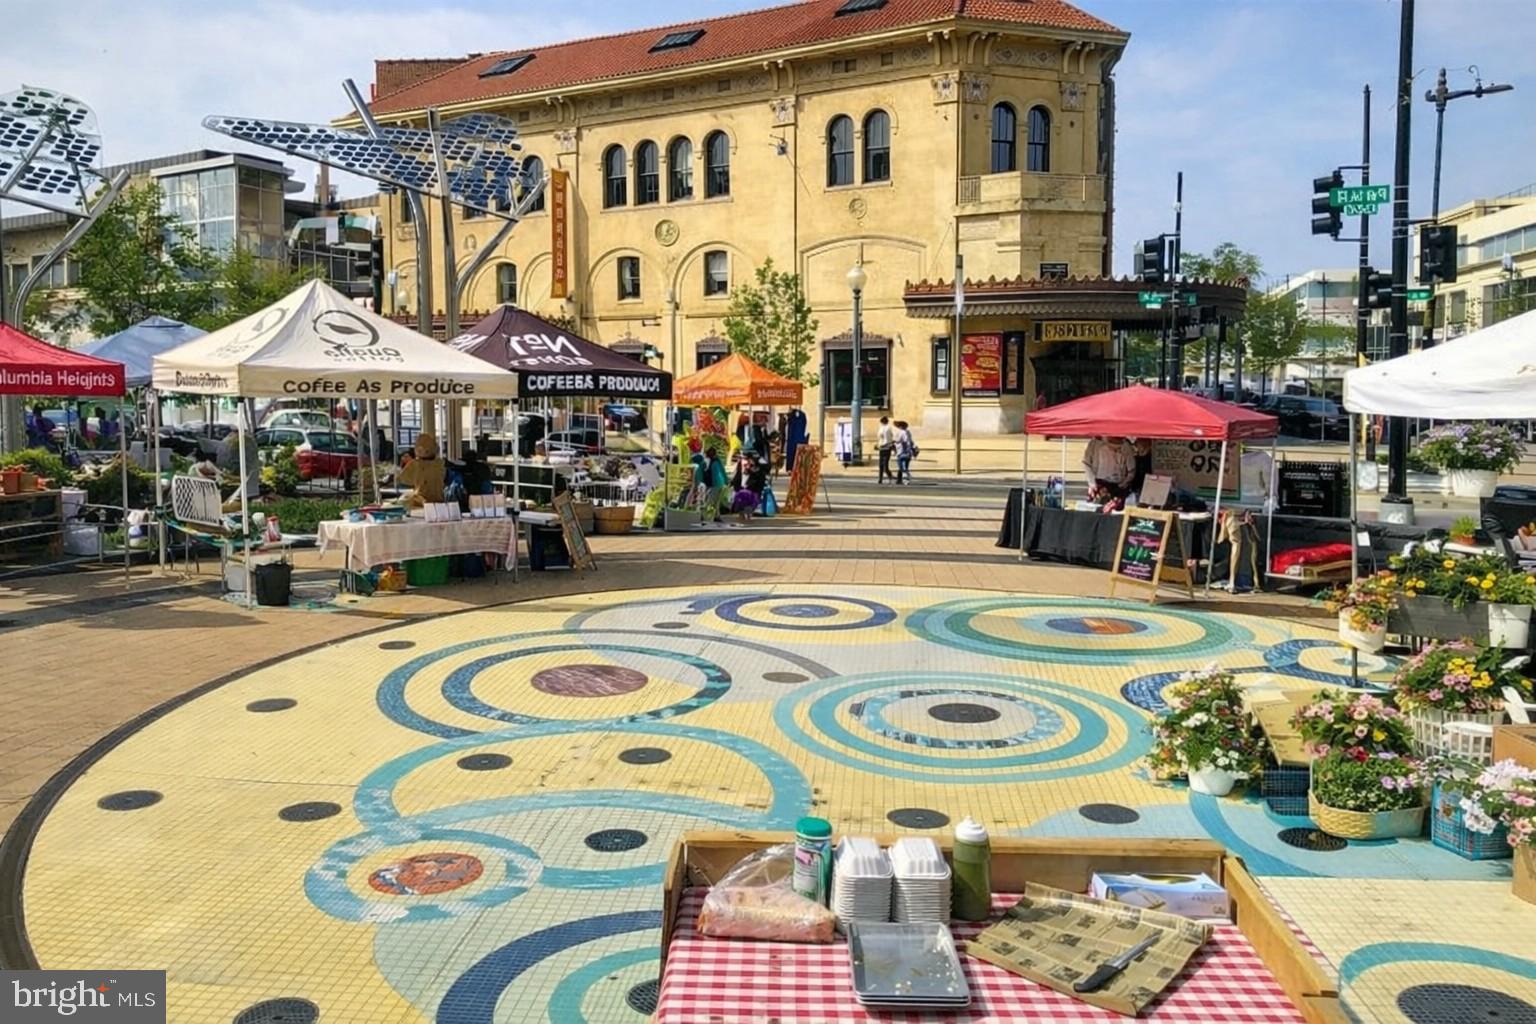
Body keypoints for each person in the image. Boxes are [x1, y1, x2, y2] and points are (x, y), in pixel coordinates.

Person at [398, 432, 447, 508]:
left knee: (403, 501)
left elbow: (403, 479)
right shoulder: (440, 463)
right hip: (439, 501)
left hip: (423, 501)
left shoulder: (416, 464)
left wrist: (406, 464)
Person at [1082, 435, 1134, 500]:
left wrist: (1122, 484)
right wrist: (1092, 483)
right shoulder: (1095, 443)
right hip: (1099, 482)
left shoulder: (1125, 446)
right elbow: (1086, 463)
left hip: (1117, 485)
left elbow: (1131, 470)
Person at [730, 452, 769, 523]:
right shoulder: (740, 465)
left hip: (752, 488)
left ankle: (748, 515)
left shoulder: (756, 466)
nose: (745, 464)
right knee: (740, 502)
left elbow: (762, 473)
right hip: (742, 487)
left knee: (750, 502)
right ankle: (742, 515)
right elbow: (737, 475)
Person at [876, 416, 895, 484]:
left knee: (884, 464)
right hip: (884, 447)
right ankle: (881, 478)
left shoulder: (887, 428)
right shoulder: (883, 428)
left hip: (885, 447)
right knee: (882, 464)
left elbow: (888, 438)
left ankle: (887, 476)